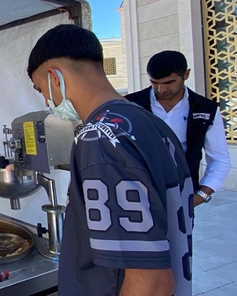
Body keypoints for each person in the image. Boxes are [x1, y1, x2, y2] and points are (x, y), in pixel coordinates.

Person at [26, 25, 193, 296]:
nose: (47, 101)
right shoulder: (147, 122)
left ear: (54, 77)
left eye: (41, 89)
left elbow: (150, 280)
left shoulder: (100, 137)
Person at [125, 50, 231, 206]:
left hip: (183, 196)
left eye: (169, 82)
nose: (161, 89)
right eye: (154, 82)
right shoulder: (129, 105)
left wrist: (201, 195)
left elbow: (219, 159)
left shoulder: (205, 109)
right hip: (134, 197)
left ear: (186, 74)